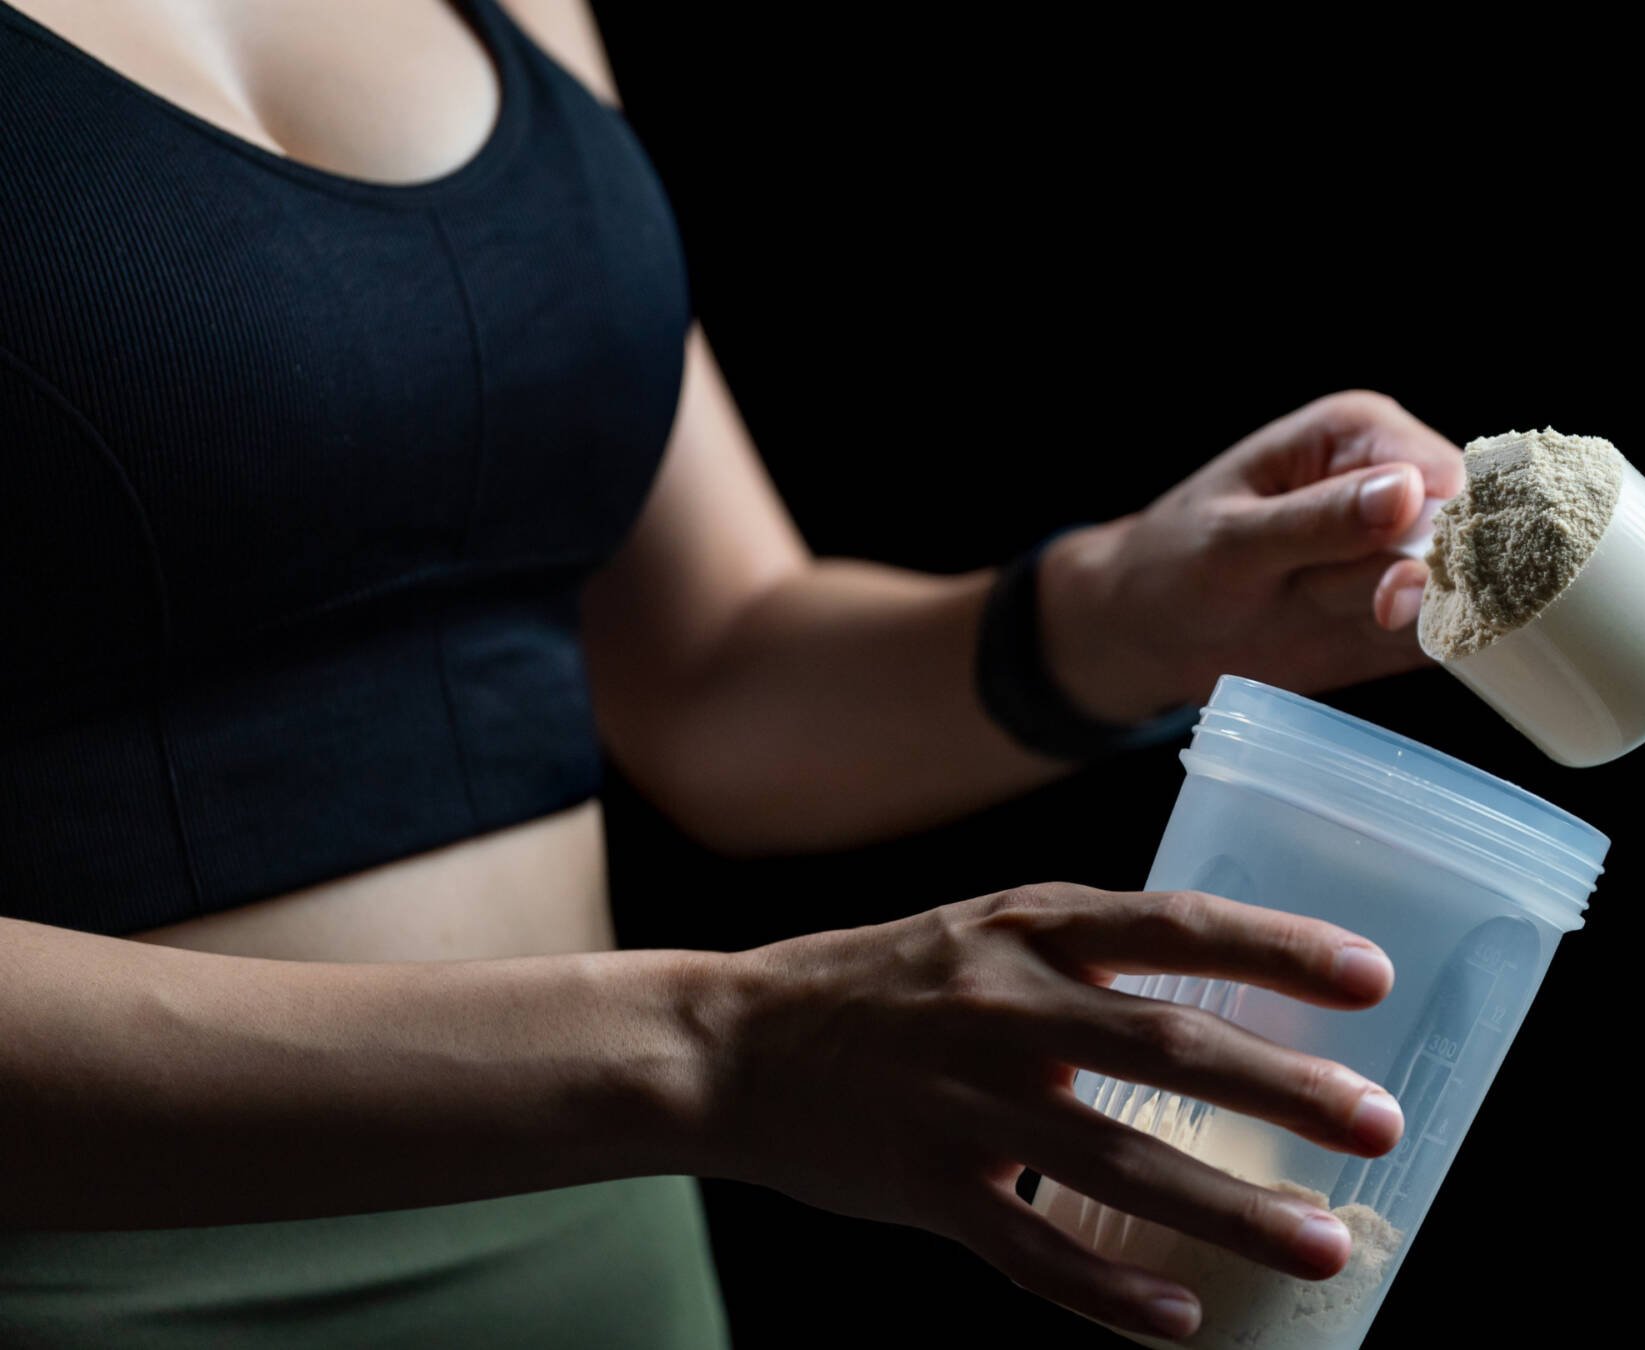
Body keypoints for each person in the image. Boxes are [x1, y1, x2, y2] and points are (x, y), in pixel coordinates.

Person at [0, 1, 1471, 1345]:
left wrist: (1124, 614)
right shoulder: (705, 1059)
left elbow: (709, 677)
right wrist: (716, 1049)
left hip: (612, 1248)